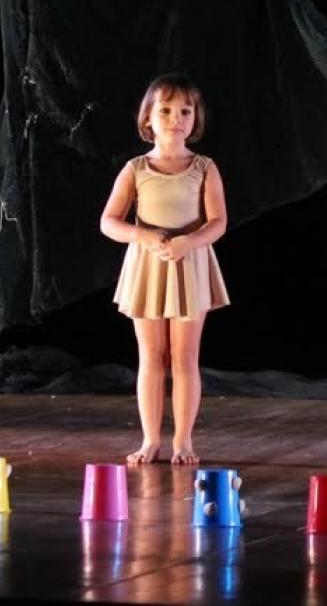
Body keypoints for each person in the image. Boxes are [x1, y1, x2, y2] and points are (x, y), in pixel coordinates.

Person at [100, 75, 230, 465]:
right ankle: (151, 439)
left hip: (190, 265)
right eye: (166, 110)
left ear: (195, 119)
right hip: (149, 267)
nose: (176, 118)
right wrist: (145, 237)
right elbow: (109, 221)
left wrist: (188, 242)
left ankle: (184, 441)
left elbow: (218, 221)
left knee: (185, 357)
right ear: (148, 120)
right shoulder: (136, 168)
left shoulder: (204, 167)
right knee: (151, 355)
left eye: (185, 111)